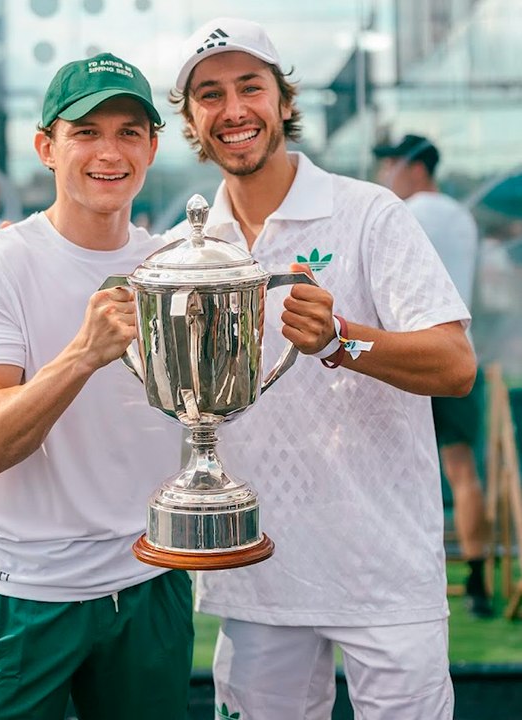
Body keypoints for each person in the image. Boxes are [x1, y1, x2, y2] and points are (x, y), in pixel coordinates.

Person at [169, 18, 475, 719]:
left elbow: (454, 364)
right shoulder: (189, 245)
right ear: (190, 118)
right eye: (209, 94)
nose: (233, 109)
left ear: (282, 100)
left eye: (251, 87)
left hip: (384, 575)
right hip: (254, 575)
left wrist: (343, 341)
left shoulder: (369, 213)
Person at [0, 53, 192, 720]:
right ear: (45, 148)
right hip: (24, 594)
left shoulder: (178, 265)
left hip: (150, 578)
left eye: (128, 132)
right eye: (85, 131)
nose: (108, 151)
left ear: (150, 148)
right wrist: (82, 355)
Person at [374, 133, 492, 618]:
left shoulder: (403, 212)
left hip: (410, 357)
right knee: (464, 473)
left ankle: (391, 575)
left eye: (391, 165)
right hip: (459, 356)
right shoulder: (463, 218)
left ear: (415, 169)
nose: (385, 176)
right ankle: (480, 580)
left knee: (389, 472)